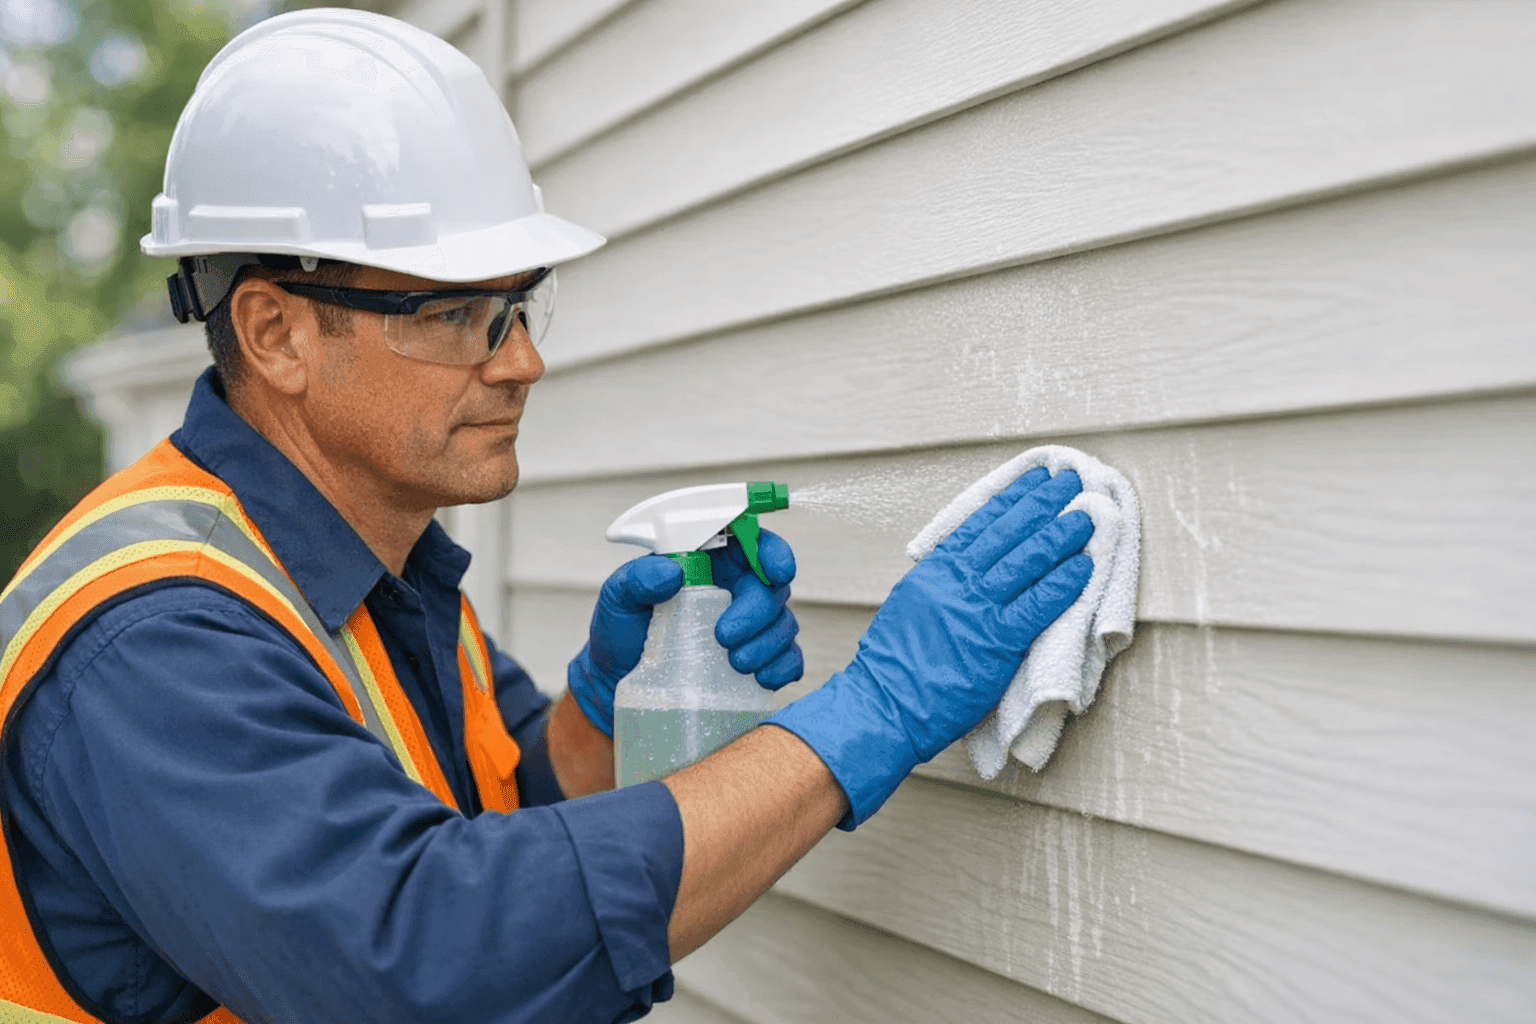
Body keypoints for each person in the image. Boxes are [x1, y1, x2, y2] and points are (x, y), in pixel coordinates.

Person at [0, 10, 1095, 1023]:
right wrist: (875, 711)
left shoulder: (361, 569)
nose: (523, 359)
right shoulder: (153, 644)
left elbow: (491, 809)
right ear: (276, 331)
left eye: (520, 304)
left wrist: (610, 711)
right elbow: (426, 954)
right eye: (456, 312)